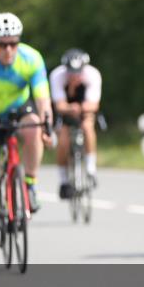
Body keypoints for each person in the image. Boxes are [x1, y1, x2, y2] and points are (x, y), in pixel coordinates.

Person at [0, 12, 53, 247]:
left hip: (20, 108)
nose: (8, 50)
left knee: (33, 128)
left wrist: (47, 126)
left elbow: (43, 98)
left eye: (13, 43)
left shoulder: (32, 58)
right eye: (2, 45)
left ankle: (30, 183)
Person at [49, 48, 102, 198]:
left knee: (87, 126)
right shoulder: (57, 76)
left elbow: (94, 104)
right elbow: (59, 105)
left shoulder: (92, 75)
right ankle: (64, 181)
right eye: (71, 72)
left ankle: (91, 169)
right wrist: (70, 108)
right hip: (65, 109)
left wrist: (82, 108)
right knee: (63, 140)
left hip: (84, 106)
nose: (74, 75)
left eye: (78, 72)